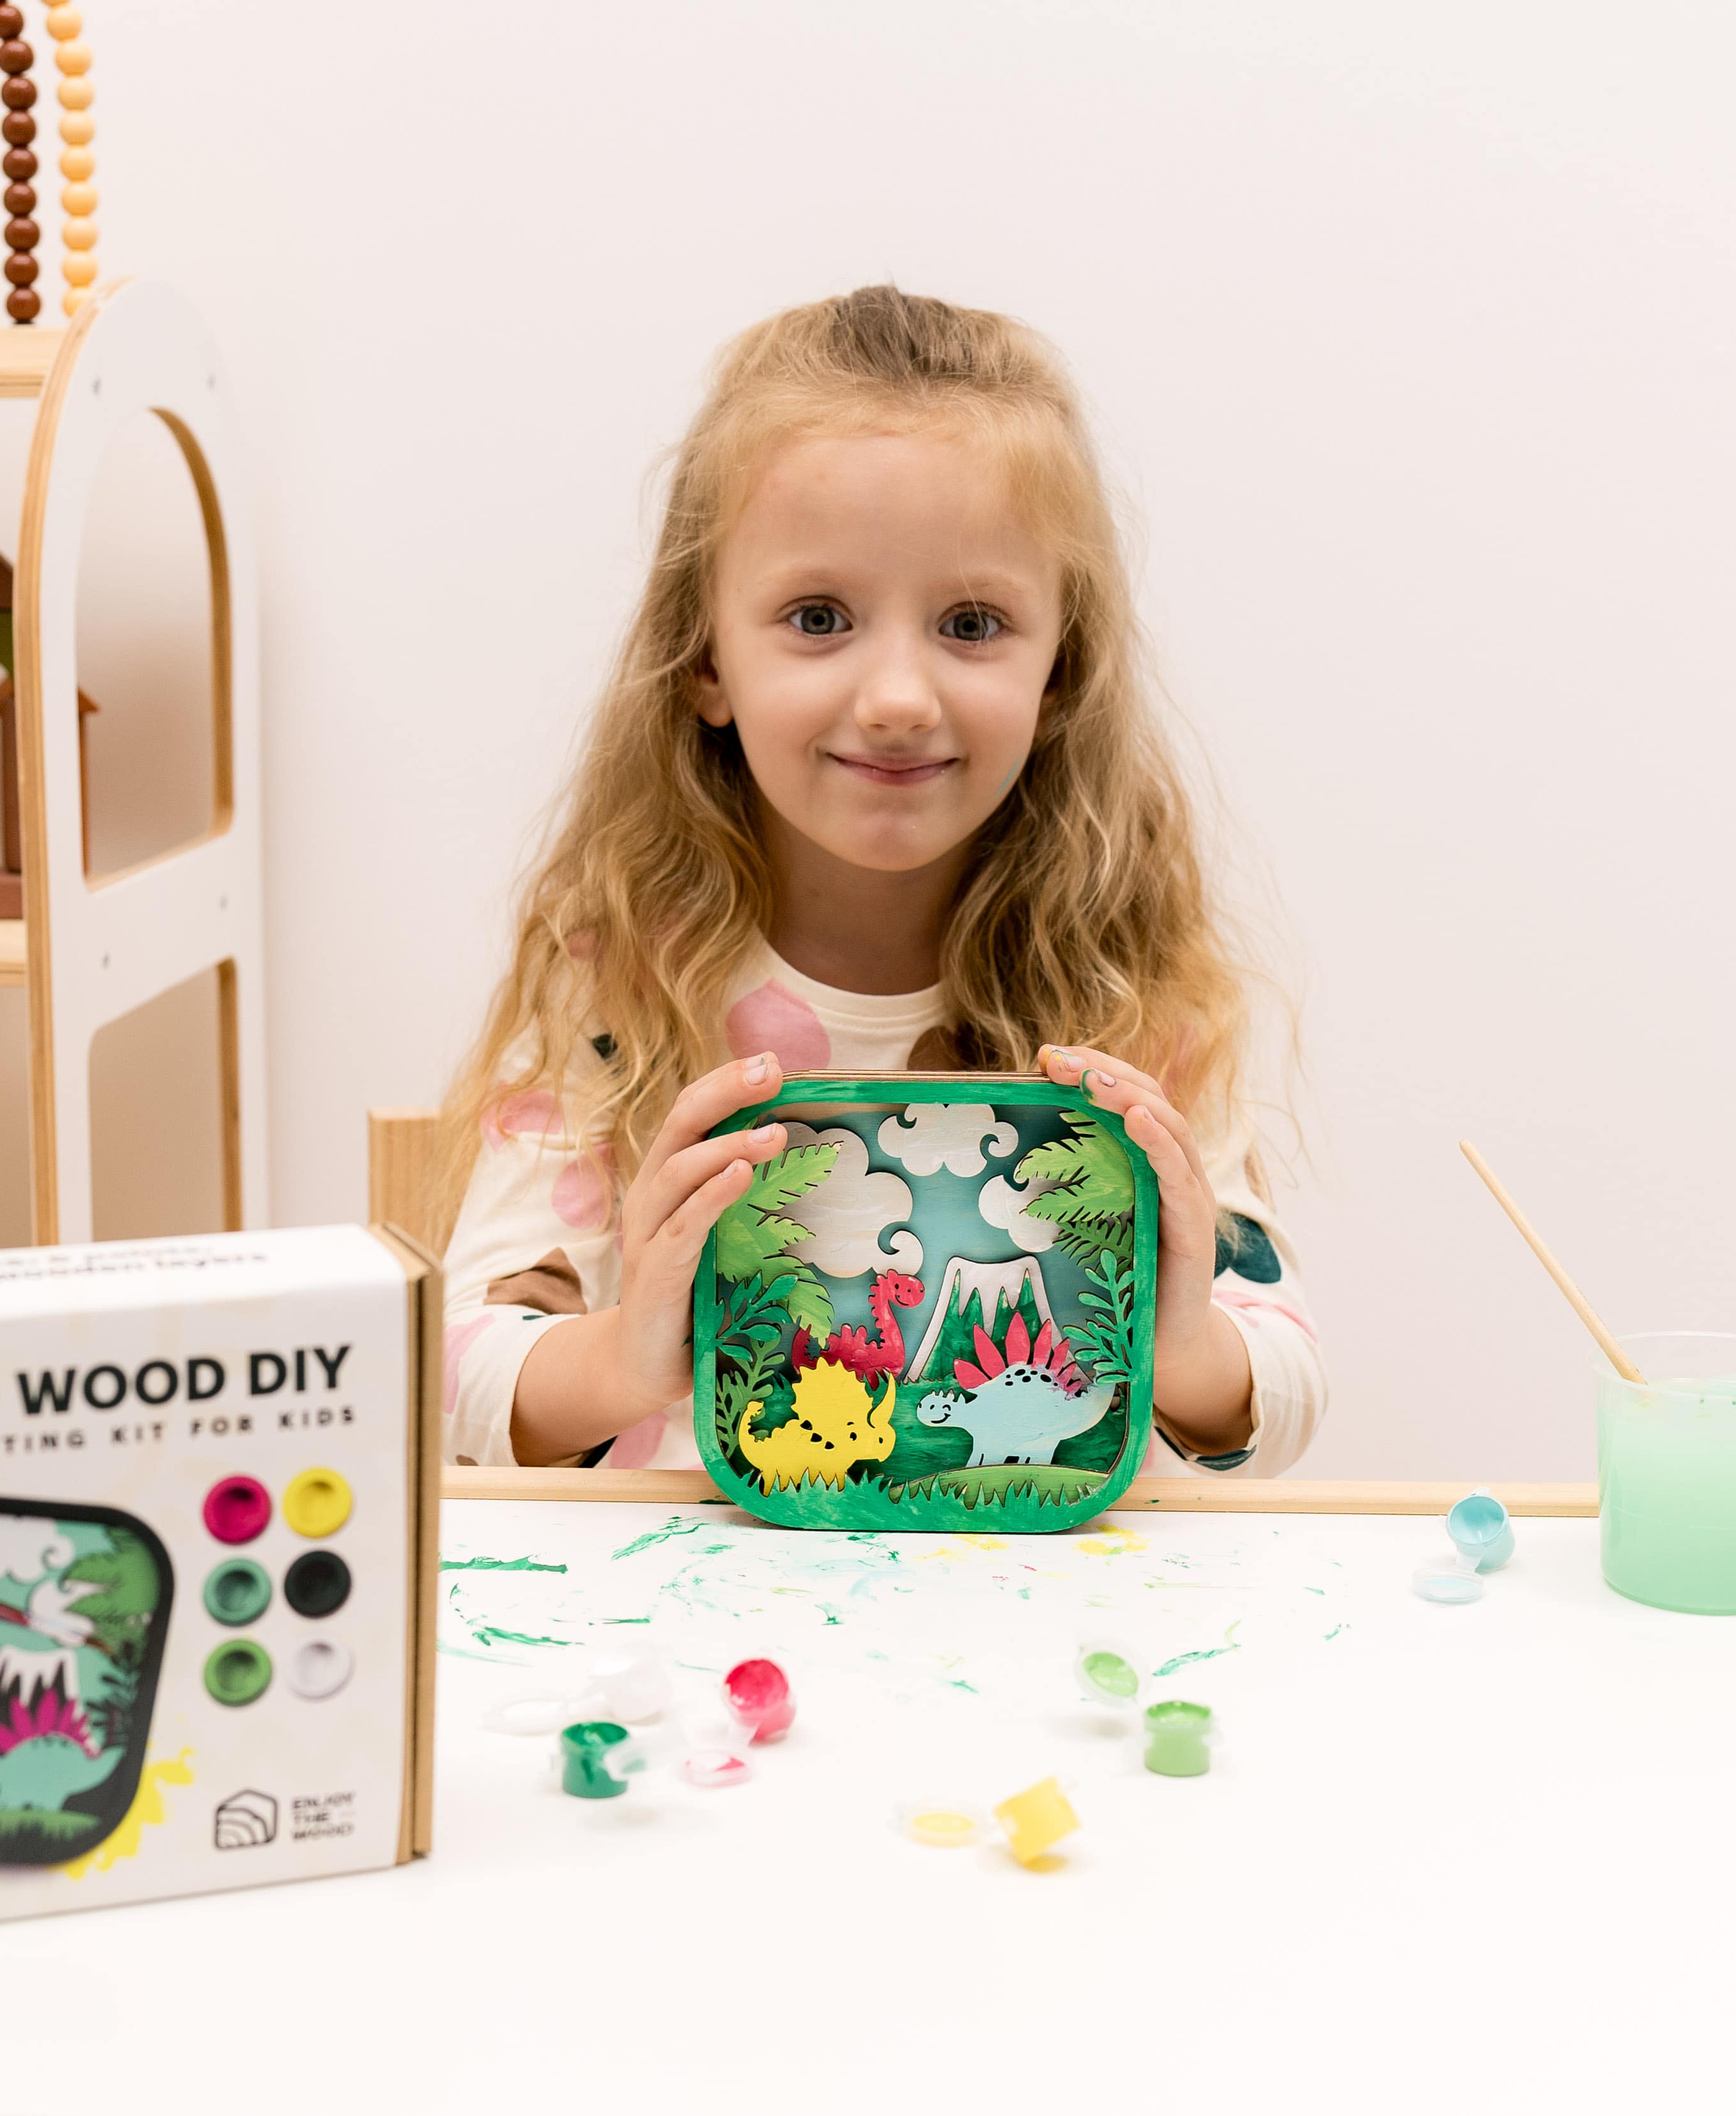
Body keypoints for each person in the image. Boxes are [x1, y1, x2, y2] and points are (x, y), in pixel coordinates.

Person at [434, 286, 1323, 1478]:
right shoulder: (620, 981)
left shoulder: (1136, 991)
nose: (899, 696)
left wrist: (1186, 1344)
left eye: (970, 622)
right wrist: (625, 1355)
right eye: (817, 617)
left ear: (1062, 671)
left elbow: (1282, 1399)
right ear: (706, 656)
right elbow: (458, 1378)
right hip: (700, 1626)